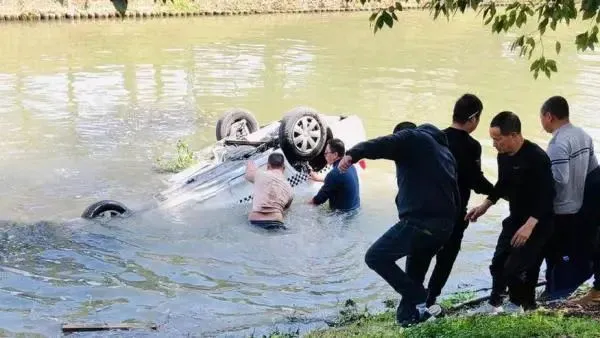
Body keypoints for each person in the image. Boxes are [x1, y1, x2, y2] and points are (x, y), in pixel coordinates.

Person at [338, 122, 460, 327]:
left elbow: (385, 143)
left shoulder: (413, 138)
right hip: (443, 227)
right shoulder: (443, 152)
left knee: (376, 257)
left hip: (422, 222)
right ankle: (410, 320)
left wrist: (353, 154)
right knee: (412, 278)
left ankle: (422, 297)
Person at [466, 111, 555, 313]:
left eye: (498, 139)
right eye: (492, 139)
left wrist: (529, 226)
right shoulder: (503, 156)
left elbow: (548, 195)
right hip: (515, 218)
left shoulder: (537, 157)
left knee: (517, 268)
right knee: (498, 263)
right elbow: (503, 183)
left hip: (538, 222)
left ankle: (520, 305)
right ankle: (495, 303)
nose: (495, 144)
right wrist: (485, 205)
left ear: (514, 135)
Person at [420, 94, 494, 307]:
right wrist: (500, 192)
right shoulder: (472, 146)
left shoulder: (434, 138)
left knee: (422, 255)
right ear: (474, 118)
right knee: (446, 259)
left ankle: (412, 298)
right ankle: (430, 299)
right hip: (454, 214)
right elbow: (476, 181)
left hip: (427, 211)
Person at [538, 95, 599, 299]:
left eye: (542, 117)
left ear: (549, 116)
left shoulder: (558, 143)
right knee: (572, 252)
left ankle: (554, 294)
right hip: (580, 207)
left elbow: (559, 179)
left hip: (562, 209)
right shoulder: (583, 135)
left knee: (555, 255)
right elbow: (593, 171)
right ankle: (558, 289)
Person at [244, 152, 294, 230]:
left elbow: (248, 173)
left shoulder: (259, 175)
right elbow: (285, 211)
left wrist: (249, 161)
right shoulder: (290, 189)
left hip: (255, 222)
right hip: (276, 223)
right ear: (284, 168)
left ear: (268, 166)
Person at [308, 138, 360, 212]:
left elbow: (317, 201)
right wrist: (319, 179)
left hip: (341, 218)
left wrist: (301, 206)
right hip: (355, 210)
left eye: (326, 153)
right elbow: (339, 182)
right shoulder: (350, 165)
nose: (325, 156)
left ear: (335, 155)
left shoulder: (334, 174)